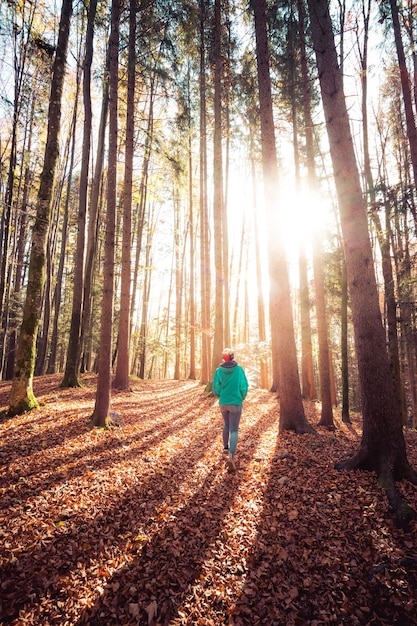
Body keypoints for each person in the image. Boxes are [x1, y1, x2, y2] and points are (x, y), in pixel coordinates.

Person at [212, 348, 248, 473]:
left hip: (223, 403)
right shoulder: (239, 370)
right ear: (233, 357)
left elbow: (215, 386)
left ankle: (226, 448)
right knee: (234, 429)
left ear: (224, 358)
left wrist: (220, 396)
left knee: (226, 425)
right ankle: (231, 456)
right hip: (235, 402)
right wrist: (241, 397)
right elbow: (244, 386)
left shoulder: (218, 371)